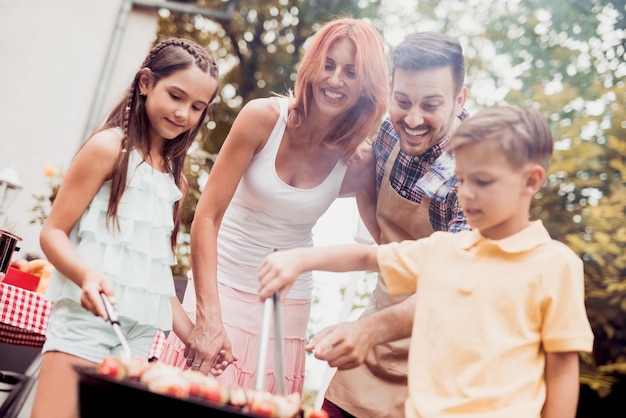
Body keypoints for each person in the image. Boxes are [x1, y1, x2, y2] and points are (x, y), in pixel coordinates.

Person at [259, 105, 595, 418]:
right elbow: (367, 255)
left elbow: (562, 369)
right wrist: (300, 259)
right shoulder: (445, 250)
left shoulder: (555, 265)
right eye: (461, 179)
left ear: (531, 180)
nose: (467, 193)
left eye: (482, 181)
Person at [158, 17, 389, 395]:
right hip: (223, 286)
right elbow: (207, 217)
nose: (335, 80)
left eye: (351, 71)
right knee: (197, 395)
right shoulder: (263, 118)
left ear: (367, 84)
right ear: (312, 67)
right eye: (328, 65)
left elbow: (390, 244)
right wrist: (208, 316)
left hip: (288, 303)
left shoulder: (357, 161)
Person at [30, 38, 220, 418]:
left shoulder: (174, 182)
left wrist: (198, 338)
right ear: (146, 82)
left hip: (136, 337)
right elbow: (52, 232)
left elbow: (153, 279)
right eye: (176, 96)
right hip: (86, 323)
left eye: (197, 107)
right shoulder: (107, 149)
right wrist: (85, 276)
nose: (184, 113)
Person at [306, 31, 471, 418]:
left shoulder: (477, 171)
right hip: (375, 348)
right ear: (392, 89)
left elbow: (455, 285)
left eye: (431, 105)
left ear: (459, 99)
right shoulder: (386, 132)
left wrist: (368, 330)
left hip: (439, 364)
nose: (412, 119)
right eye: (402, 101)